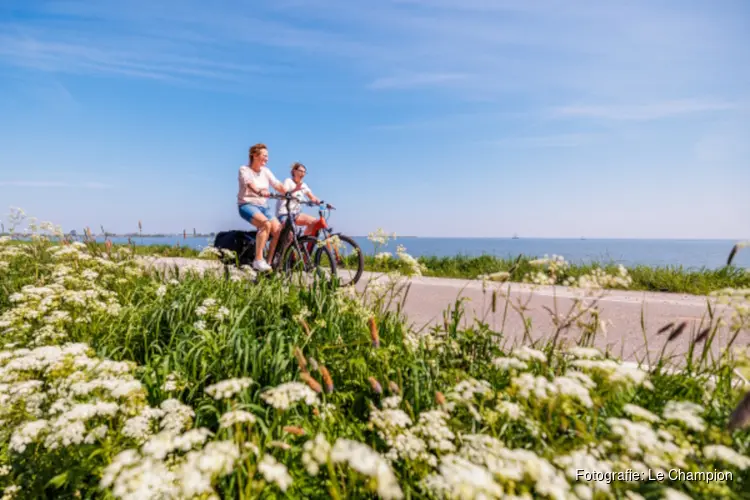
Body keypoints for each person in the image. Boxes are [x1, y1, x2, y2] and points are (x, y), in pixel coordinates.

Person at [237, 143, 286, 272]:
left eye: (267, 156)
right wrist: (259, 191)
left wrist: (287, 193)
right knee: (265, 224)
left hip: (264, 207)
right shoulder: (244, 169)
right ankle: (258, 260)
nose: (267, 159)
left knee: (278, 230)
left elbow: (276, 184)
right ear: (254, 155)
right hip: (247, 205)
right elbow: (249, 184)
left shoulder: (266, 171)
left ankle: (268, 263)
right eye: (264, 155)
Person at [275, 162, 321, 233]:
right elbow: (284, 194)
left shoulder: (303, 185)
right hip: (285, 213)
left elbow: (312, 196)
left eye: (304, 172)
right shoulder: (288, 181)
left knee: (314, 222)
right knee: (290, 234)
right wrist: (295, 189)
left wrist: (320, 202)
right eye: (301, 171)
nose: (303, 174)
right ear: (294, 171)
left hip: (296, 214)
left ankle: (302, 242)